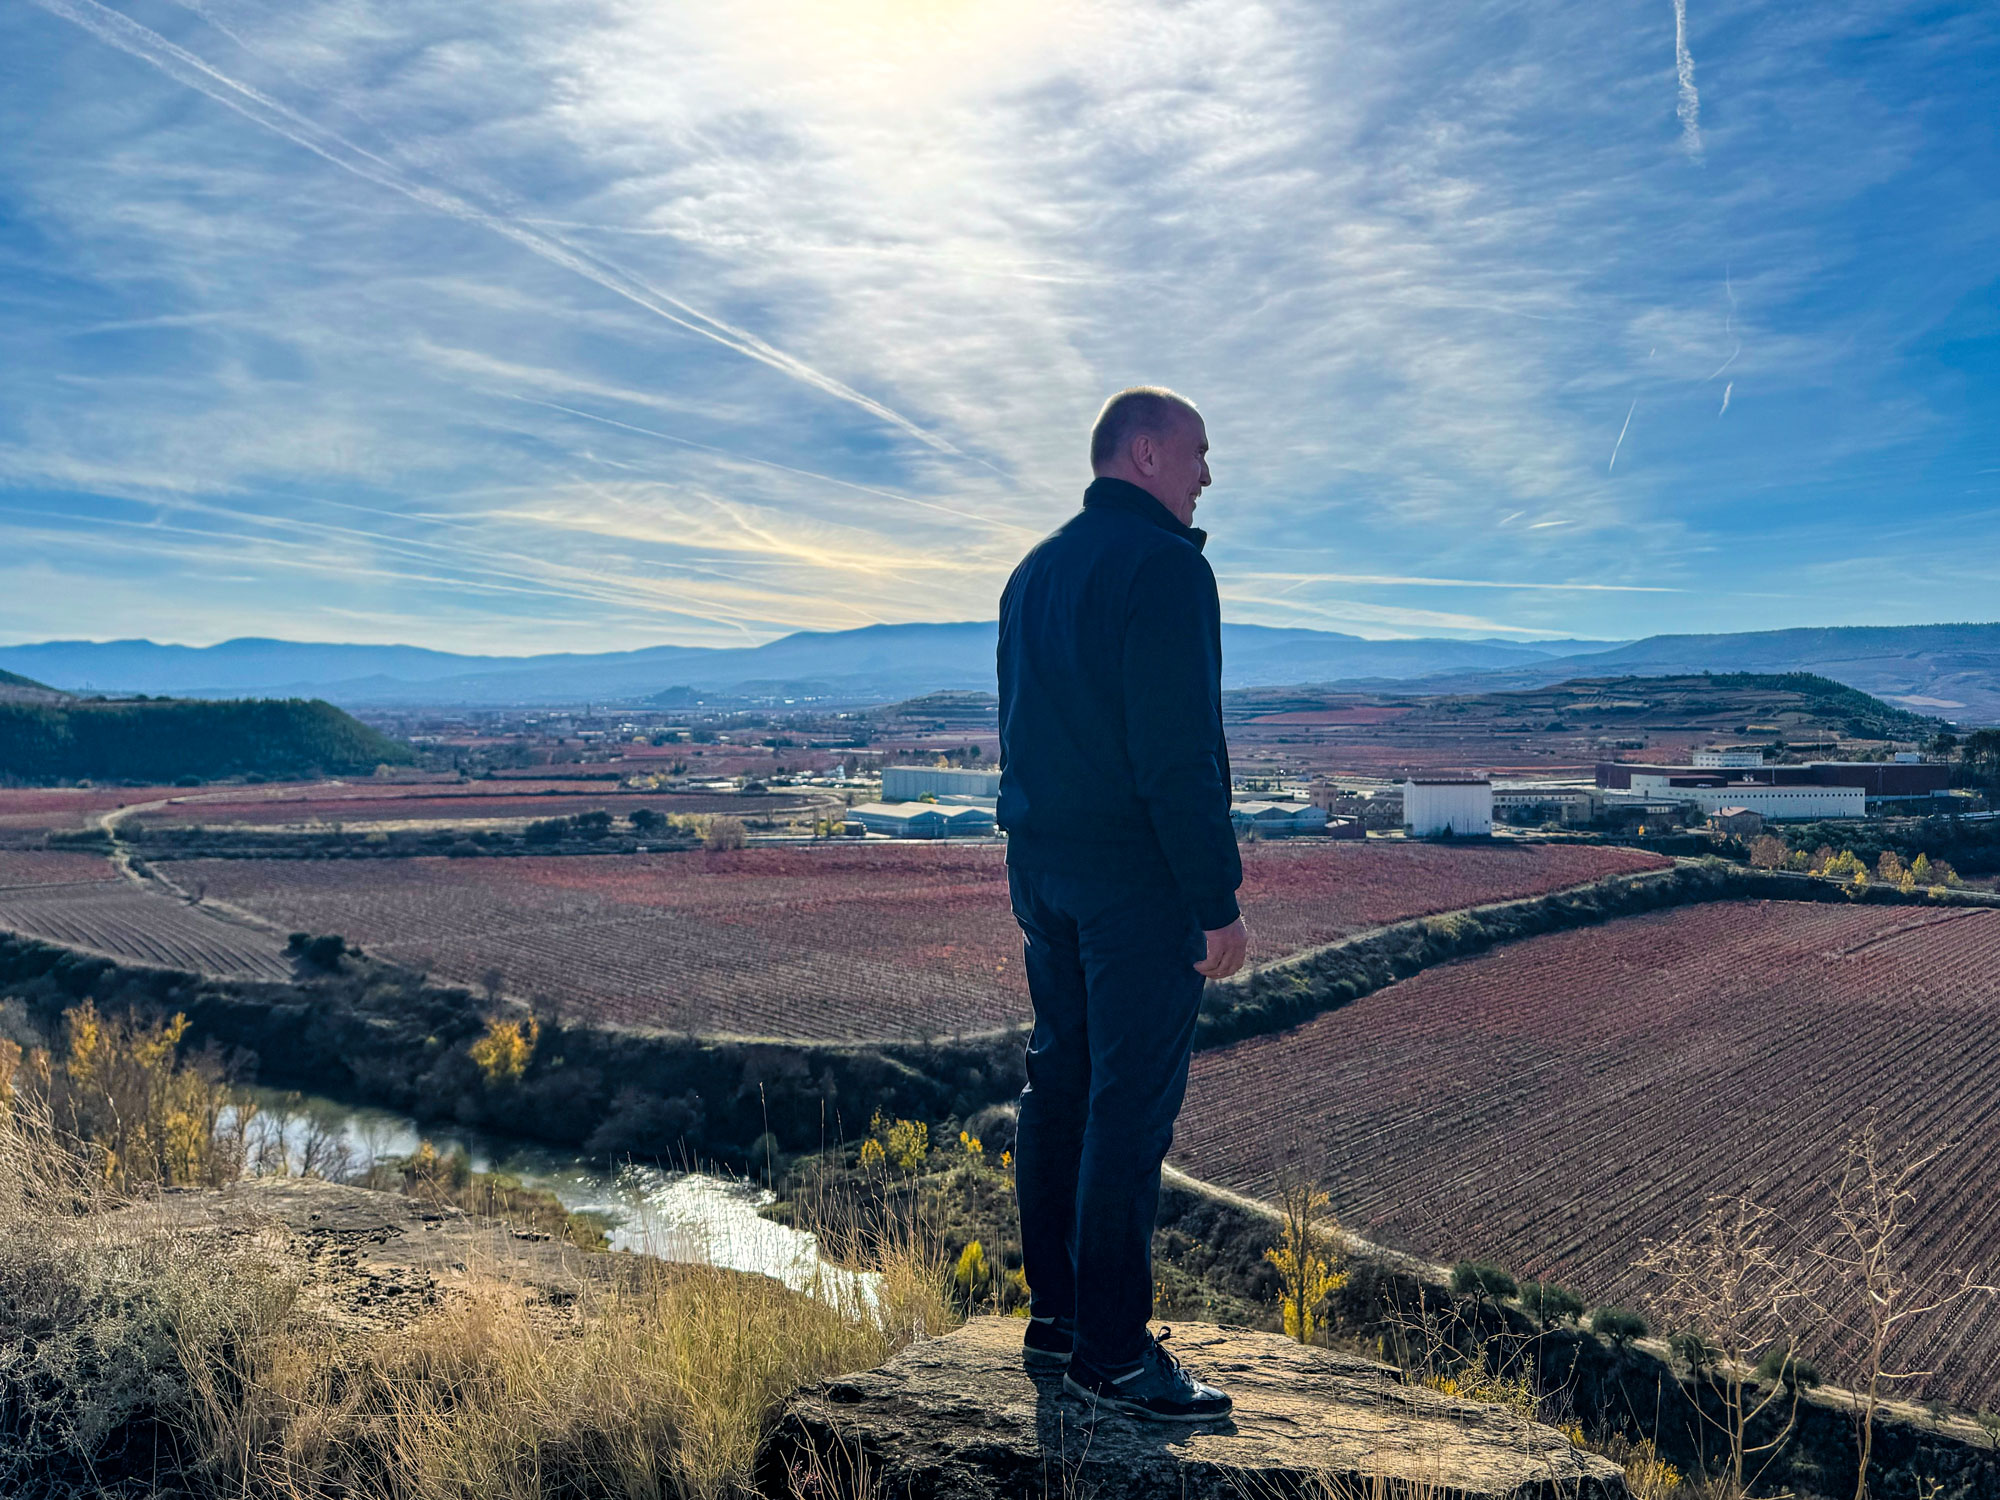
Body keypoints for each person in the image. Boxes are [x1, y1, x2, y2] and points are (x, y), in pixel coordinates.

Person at [995, 386, 1247, 1422]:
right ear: (1142, 452)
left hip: (1040, 872)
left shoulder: (1033, 570)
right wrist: (1215, 899)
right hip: (1132, 884)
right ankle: (1112, 1356)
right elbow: (1175, 755)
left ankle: (1057, 1322)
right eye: (1195, 454)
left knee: (1057, 1090)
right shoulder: (1162, 569)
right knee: (1125, 1110)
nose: (1205, 475)